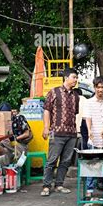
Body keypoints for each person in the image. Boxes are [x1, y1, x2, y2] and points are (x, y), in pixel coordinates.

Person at [41, 68, 80, 196]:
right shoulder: (54, 92)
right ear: (66, 77)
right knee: (52, 160)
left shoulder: (76, 96)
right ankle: (46, 186)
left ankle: (59, 184)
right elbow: (46, 110)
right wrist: (46, 127)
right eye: (74, 77)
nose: (76, 80)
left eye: (76, 78)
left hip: (71, 133)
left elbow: (75, 114)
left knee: (65, 161)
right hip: (54, 132)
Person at [83, 76, 103, 198]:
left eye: (102, 87)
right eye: (98, 87)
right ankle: (89, 190)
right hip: (94, 140)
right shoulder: (88, 103)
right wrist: (90, 130)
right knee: (92, 166)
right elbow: (88, 118)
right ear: (94, 88)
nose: (100, 89)